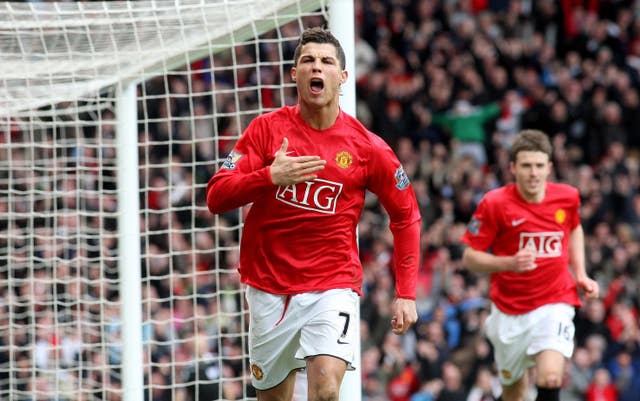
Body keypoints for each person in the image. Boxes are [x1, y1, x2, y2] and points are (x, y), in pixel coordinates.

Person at [206, 27, 421, 401]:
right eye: (307, 60)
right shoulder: (266, 130)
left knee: (325, 390)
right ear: (294, 74)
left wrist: (406, 292)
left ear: (342, 77)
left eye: (326, 62)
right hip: (268, 284)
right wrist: (270, 176)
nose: (316, 67)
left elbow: (406, 216)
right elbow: (216, 196)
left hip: (332, 284)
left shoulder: (368, 148)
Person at [460, 130, 600, 401]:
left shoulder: (568, 197)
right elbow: (470, 257)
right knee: (515, 393)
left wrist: (580, 273)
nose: (533, 173)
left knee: (550, 377)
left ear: (549, 168)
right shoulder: (494, 203)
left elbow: (574, 228)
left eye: (539, 166)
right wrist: (509, 263)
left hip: (555, 299)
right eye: (526, 166)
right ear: (513, 168)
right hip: (509, 310)